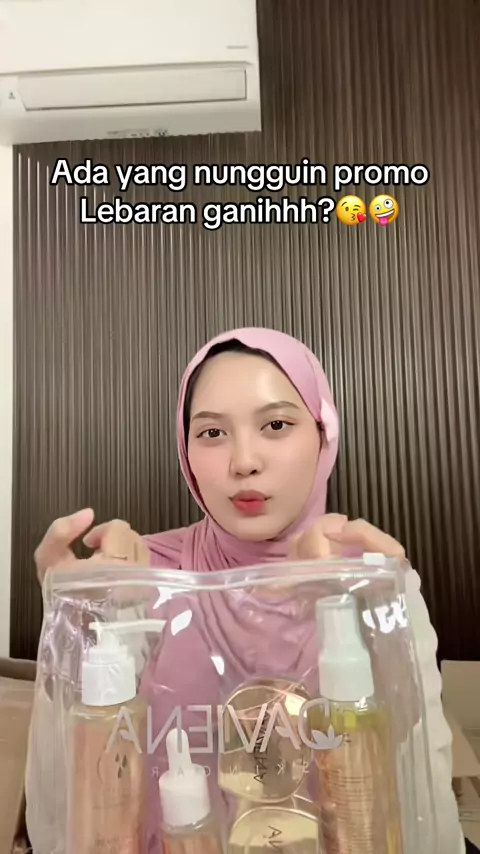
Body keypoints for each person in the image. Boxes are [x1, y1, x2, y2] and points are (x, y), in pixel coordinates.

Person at [34, 327, 466, 854]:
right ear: (186, 450)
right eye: (212, 433)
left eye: (276, 424)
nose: (243, 461)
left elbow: (424, 806)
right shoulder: (145, 576)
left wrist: (377, 607)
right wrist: (74, 622)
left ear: (324, 433)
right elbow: (76, 807)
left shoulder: (365, 576)